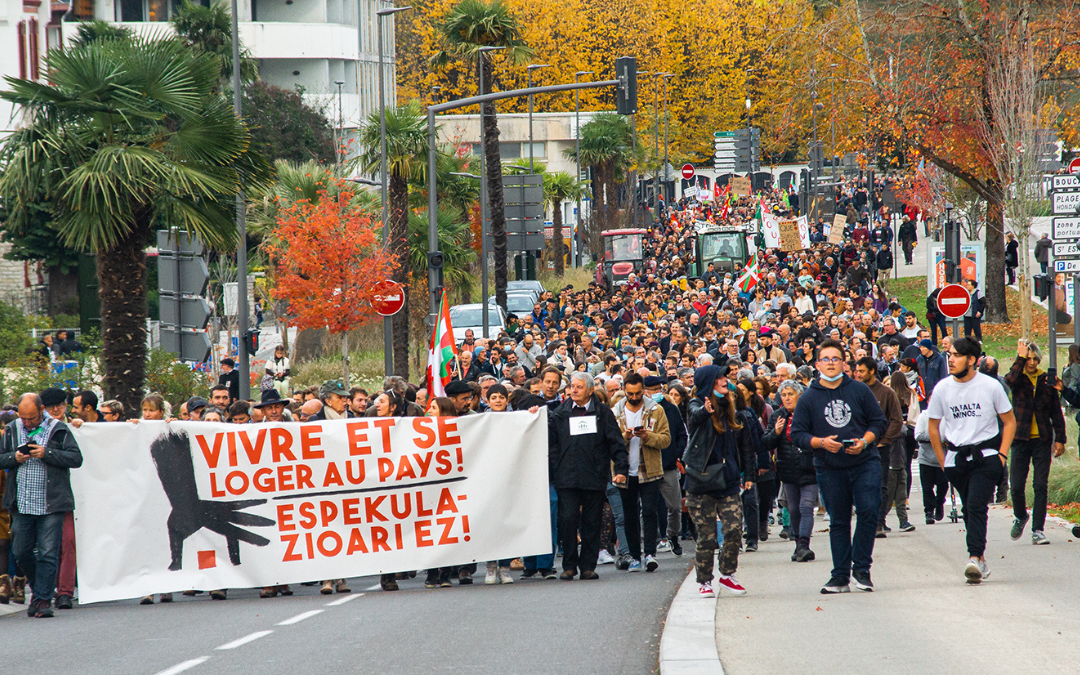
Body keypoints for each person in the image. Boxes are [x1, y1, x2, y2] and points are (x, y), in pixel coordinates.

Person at [791, 339, 887, 595]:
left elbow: (879, 422)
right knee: (839, 521)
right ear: (817, 363)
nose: (831, 363)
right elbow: (797, 434)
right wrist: (820, 443)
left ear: (845, 363)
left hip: (864, 462)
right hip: (829, 466)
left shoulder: (859, 390)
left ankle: (862, 569)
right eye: (826, 359)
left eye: (836, 359)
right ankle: (840, 576)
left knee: (868, 511)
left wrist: (865, 441)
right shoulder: (809, 397)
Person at [927, 337, 1016, 584]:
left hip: (986, 456)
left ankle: (974, 557)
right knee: (969, 509)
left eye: (956, 355)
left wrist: (1001, 455)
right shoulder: (943, 388)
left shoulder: (990, 386)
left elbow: (1009, 422)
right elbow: (933, 426)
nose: (951, 359)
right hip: (956, 460)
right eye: (950, 355)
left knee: (976, 505)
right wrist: (942, 460)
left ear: (972, 360)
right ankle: (981, 557)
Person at [0, 393, 83, 618]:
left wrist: (47, 454)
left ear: (42, 410)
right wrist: (14, 458)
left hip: (51, 502)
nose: (27, 423)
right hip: (21, 502)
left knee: (48, 552)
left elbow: (76, 459)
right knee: (20, 551)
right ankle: (40, 592)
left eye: (32, 418)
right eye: (24, 418)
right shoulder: (12, 429)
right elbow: (1, 457)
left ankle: (44, 600)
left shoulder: (58, 428)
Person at [548, 371, 628, 581]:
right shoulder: (560, 413)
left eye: (579, 387)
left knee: (592, 521)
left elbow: (616, 443)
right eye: (572, 386)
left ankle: (588, 566)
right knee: (567, 520)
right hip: (567, 477)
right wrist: (557, 466)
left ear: (590, 390)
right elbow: (552, 445)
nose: (573, 390)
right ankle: (569, 565)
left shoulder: (602, 413)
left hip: (594, 476)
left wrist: (620, 470)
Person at [684, 365, 755, 597]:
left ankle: (727, 574)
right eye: (720, 377)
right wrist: (707, 409)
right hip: (702, 481)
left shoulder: (730, 406)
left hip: (728, 479)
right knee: (707, 536)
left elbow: (745, 446)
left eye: (726, 376)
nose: (726, 380)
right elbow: (695, 416)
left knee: (734, 530)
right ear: (709, 382)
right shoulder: (696, 404)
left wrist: (748, 475)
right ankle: (704, 581)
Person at [1003, 341, 1065, 546]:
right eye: (1027, 358)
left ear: (1039, 359)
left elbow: (1056, 410)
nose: (1031, 362)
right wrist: (1019, 358)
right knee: (1017, 486)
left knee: (1040, 485)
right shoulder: (1019, 378)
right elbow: (1008, 380)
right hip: (1020, 438)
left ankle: (1038, 529)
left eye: (1033, 358)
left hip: (1042, 439)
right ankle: (1021, 516)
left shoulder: (1046, 380)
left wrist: (1061, 439)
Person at [611, 373, 671, 573]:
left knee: (649, 511)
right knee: (629, 515)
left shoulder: (656, 410)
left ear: (643, 390)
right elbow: (609, 443)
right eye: (630, 393)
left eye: (638, 393)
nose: (634, 397)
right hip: (625, 471)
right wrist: (625, 437)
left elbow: (666, 440)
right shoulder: (615, 412)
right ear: (624, 390)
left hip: (650, 469)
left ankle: (650, 554)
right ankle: (635, 556)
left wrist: (648, 436)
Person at [764, 380, 817, 562]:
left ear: (799, 395)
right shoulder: (777, 416)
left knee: (806, 507)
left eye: (790, 394)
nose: (787, 398)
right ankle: (798, 545)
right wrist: (776, 433)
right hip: (787, 469)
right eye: (784, 395)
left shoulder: (810, 413)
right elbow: (767, 443)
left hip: (809, 468)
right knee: (793, 509)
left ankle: (804, 544)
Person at [853, 357, 905, 539]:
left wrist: (884, 440)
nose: (857, 374)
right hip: (857, 447)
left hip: (879, 447)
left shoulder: (886, 393)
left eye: (861, 371)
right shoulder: (853, 391)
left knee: (881, 485)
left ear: (872, 371)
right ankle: (865, 520)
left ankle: (878, 522)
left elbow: (896, 420)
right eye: (856, 371)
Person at [644, 375, 687, 557]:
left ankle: (672, 535)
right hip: (647, 466)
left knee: (675, 506)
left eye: (657, 389)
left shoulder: (670, 409)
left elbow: (681, 434)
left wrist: (675, 453)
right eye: (651, 390)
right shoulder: (642, 410)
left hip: (668, 465)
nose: (655, 393)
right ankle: (649, 542)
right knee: (647, 507)